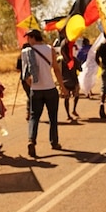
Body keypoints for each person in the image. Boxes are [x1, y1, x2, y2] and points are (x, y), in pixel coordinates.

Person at [21, 29, 66, 157]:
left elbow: (25, 76)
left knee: (34, 117)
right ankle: (54, 142)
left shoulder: (25, 52)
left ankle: (31, 140)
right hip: (50, 88)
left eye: (28, 38)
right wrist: (62, 87)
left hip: (36, 90)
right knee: (53, 117)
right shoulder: (49, 49)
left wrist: (33, 86)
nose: (27, 41)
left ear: (33, 38)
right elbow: (56, 69)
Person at [57, 35, 82, 121]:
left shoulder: (59, 60)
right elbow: (80, 69)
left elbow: (57, 70)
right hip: (74, 81)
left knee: (66, 98)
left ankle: (68, 114)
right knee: (76, 95)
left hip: (64, 81)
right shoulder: (74, 59)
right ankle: (74, 109)